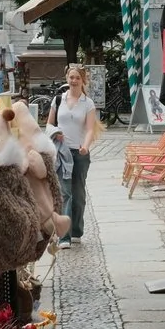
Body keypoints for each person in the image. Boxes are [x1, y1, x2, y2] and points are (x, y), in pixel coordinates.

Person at [54, 65, 98, 246]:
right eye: (71, 77)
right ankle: (64, 236)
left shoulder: (87, 103)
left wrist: (86, 146)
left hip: (80, 154)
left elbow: (89, 129)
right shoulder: (58, 100)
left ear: (82, 80)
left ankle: (76, 230)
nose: (73, 81)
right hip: (62, 152)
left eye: (77, 78)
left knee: (78, 195)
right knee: (65, 194)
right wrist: (55, 133)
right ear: (67, 78)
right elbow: (49, 124)